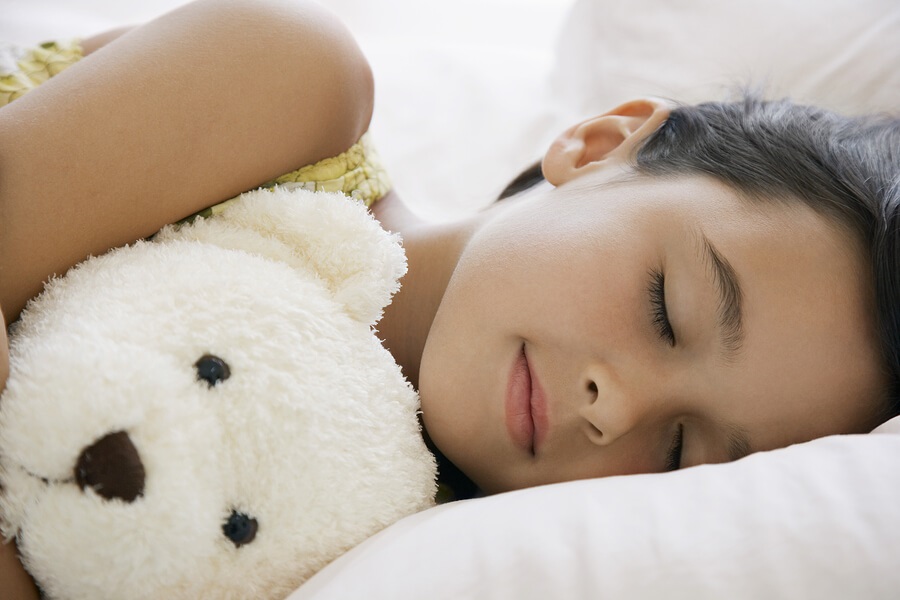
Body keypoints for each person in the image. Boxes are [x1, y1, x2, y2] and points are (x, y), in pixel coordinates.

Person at [1, 0, 898, 597]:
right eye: (668, 307)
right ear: (601, 143)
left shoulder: (381, 551)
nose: (613, 406)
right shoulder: (288, 91)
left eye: (677, 453)